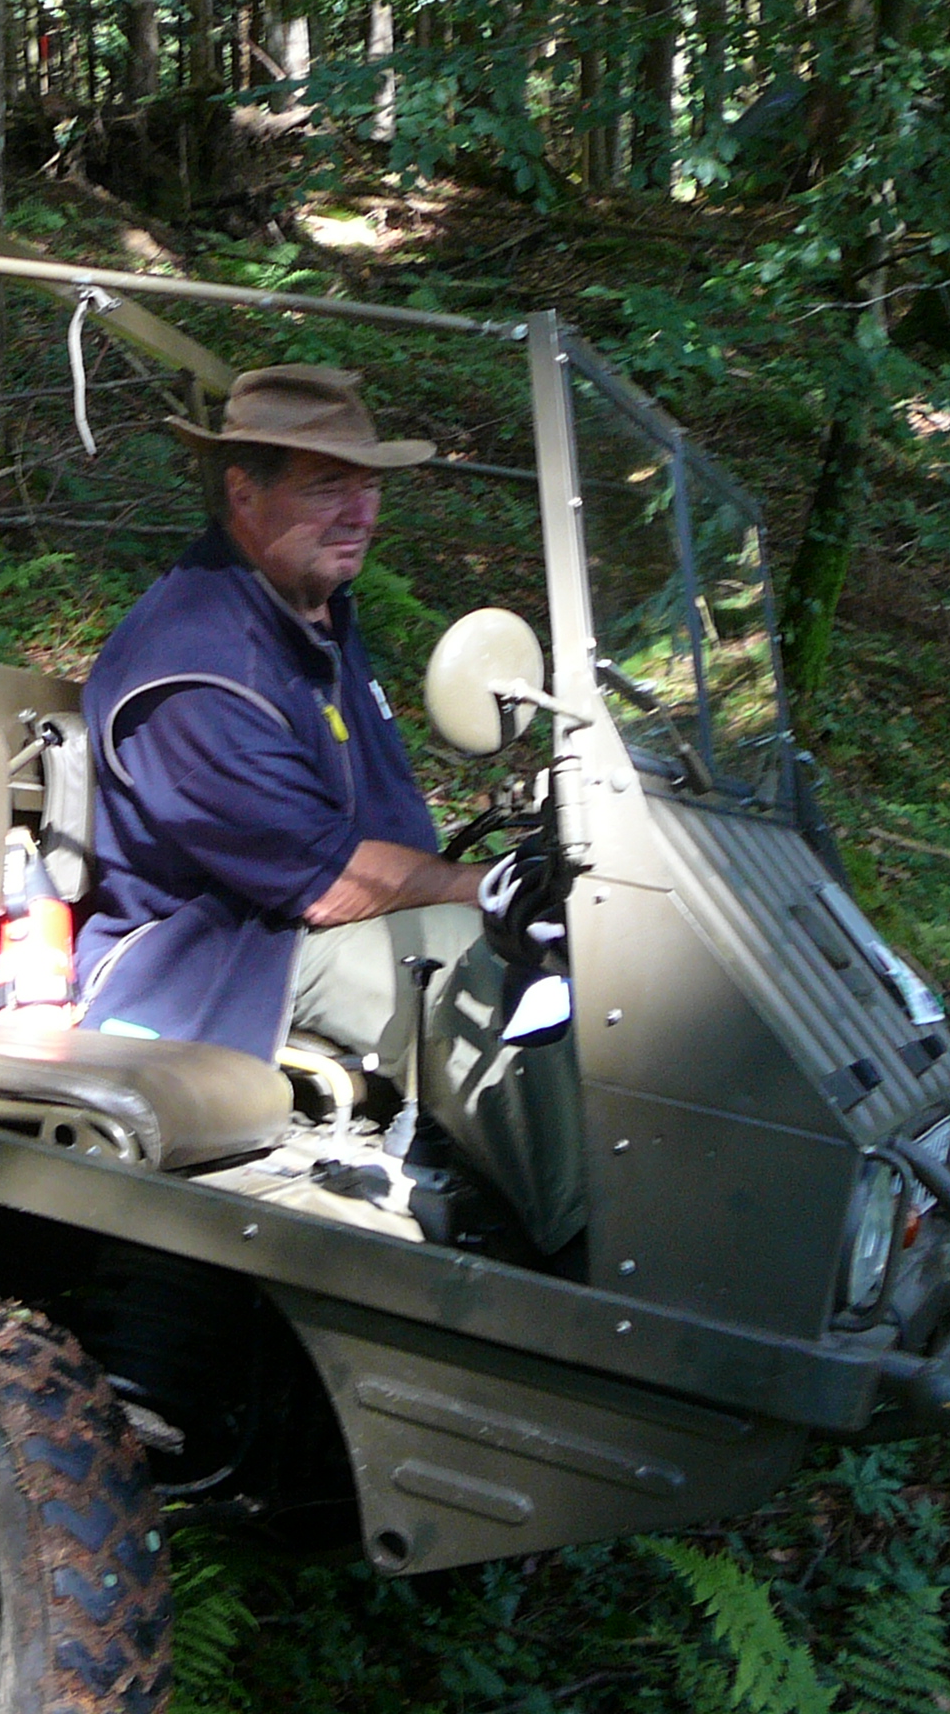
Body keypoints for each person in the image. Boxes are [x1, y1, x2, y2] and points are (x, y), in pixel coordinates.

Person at [77, 364, 585, 1251]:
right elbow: (323, 882)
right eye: (327, 487)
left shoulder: (309, 609)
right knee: (487, 962)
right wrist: (481, 888)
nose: (360, 513)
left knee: (597, 943)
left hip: (293, 929)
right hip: (220, 963)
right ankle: (596, 1258)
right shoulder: (196, 666)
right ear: (244, 492)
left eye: (370, 487)